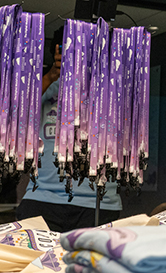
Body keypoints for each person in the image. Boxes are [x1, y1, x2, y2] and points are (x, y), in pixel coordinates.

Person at [15, 25, 122, 232]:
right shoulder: (44, 86)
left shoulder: (111, 88)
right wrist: (50, 76)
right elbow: (11, 113)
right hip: (42, 198)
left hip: (98, 202)